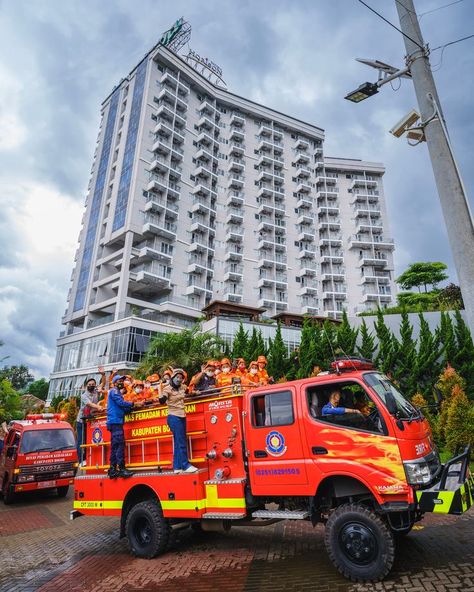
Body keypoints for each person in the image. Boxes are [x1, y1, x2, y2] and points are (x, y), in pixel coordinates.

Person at [160, 368, 198, 473]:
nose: (179, 379)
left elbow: (188, 392)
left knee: (178, 442)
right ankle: (185, 465)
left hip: (182, 416)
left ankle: (177, 467)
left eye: (181, 378)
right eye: (177, 377)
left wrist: (194, 393)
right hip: (173, 417)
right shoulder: (167, 389)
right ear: (173, 377)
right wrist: (161, 393)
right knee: (181, 441)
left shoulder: (183, 387)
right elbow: (162, 400)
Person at [107, 374, 144, 478]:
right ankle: (121, 469)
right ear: (114, 383)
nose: (121, 382)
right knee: (119, 445)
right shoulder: (114, 391)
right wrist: (134, 404)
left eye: (122, 381)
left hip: (115, 422)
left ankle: (113, 469)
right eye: (119, 381)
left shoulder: (117, 392)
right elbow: (121, 403)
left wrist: (130, 408)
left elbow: (122, 406)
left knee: (115, 446)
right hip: (115, 422)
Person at [77, 376, 103, 465]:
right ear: (86, 386)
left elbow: (103, 384)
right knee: (81, 441)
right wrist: (98, 407)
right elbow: (89, 404)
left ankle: (87, 458)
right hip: (81, 421)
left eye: (93, 384)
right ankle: (81, 460)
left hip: (90, 420)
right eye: (89, 384)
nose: (91, 386)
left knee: (89, 440)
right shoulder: (83, 395)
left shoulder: (96, 393)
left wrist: (103, 375)